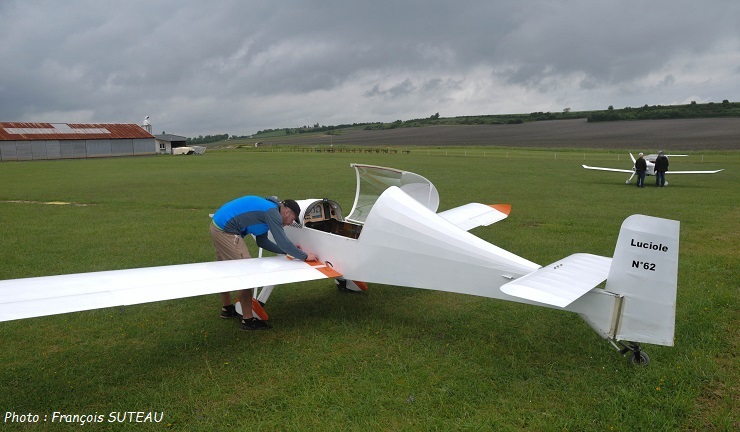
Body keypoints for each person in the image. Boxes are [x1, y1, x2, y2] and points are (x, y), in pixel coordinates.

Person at [210, 196, 318, 330]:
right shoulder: (272, 213)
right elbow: (283, 242)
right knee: (246, 272)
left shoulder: (268, 212)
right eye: (292, 219)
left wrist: (288, 252)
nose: (291, 223)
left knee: (226, 269)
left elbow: (262, 241)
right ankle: (248, 321)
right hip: (226, 231)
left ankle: (227, 309)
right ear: (287, 212)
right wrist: (305, 256)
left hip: (217, 226)